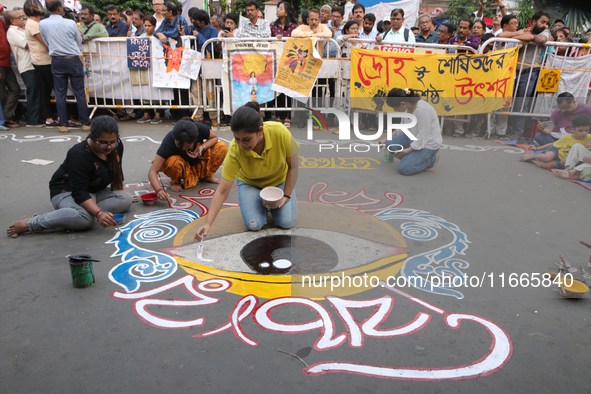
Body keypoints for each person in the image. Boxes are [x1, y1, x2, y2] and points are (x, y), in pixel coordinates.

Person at [7, 116, 132, 237]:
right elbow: (79, 192)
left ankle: (71, 217)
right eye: (103, 143)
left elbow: (117, 170)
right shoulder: (79, 154)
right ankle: (34, 222)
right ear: (91, 138)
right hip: (67, 191)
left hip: (94, 191)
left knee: (125, 198)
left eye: (112, 142)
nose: (109, 147)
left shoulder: (117, 146)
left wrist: (118, 193)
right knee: (86, 219)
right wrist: (99, 214)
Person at [195, 102, 299, 238]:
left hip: (279, 181)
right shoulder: (235, 148)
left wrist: (286, 195)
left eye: (247, 139)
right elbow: (222, 191)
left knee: (286, 222)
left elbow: (294, 166)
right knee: (254, 224)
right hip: (251, 183)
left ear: (260, 131)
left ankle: (270, 206)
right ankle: (258, 204)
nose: (241, 144)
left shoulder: (279, 132)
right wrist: (208, 224)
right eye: (237, 138)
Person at [39, 0, 91, 134]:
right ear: (59, 7)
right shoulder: (70, 23)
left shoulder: (43, 23)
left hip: (57, 60)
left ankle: (63, 124)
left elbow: (46, 40)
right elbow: (78, 40)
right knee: (79, 91)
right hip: (72, 59)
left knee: (60, 93)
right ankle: (85, 122)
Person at [148, 119, 227, 197]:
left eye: (187, 146)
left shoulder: (199, 128)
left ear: (195, 139)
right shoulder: (169, 140)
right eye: (178, 145)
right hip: (182, 168)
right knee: (172, 161)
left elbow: (214, 137)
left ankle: (205, 176)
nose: (183, 149)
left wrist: (202, 147)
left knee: (221, 147)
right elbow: (153, 171)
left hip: (199, 162)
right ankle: (176, 181)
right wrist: (159, 190)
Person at [507, 10, 551, 143]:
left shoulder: (545, 32)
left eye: (547, 23)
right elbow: (505, 37)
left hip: (529, 72)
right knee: (510, 101)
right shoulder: (524, 31)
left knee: (521, 103)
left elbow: (541, 39)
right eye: (542, 22)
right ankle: (509, 130)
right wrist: (521, 35)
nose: (545, 25)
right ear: (534, 22)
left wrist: (528, 36)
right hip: (513, 72)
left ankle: (517, 133)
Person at [380, 88, 441, 175]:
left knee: (404, 168)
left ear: (402, 104)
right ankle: (414, 158)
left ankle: (431, 160)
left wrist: (408, 150)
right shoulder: (405, 108)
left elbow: (422, 137)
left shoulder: (423, 110)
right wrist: (385, 139)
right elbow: (401, 129)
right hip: (412, 138)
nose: (396, 111)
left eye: (395, 108)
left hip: (427, 145)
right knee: (389, 143)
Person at [24, 0, 58, 128]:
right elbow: (45, 43)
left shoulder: (34, 23)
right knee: (56, 88)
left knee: (45, 90)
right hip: (43, 60)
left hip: (40, 60)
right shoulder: (33, 24)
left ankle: (49, 118)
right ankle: (60, 117)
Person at [6, 9, 42, 127]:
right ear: (12, 21)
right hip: (26, 65)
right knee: (32, 91)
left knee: (37, 90)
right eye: (20, 17)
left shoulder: (23, 29)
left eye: (23, 17)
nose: (23, 19)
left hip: (35, 63)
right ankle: (32, 120)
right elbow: (27, 44)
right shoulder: (12, 31)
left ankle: (37, 117)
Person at [521, 115, 591, 169]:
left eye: (586, 130)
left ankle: (532, 160)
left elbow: (584, 154)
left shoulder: (589, 138)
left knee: (545, 165)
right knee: (546, 158)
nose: (584, 133)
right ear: (573, 129)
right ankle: (534, 156)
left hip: (564, 160)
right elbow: (553, 144)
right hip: (557, 151)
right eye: (580, 131)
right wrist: (537, 149)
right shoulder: (567, 137)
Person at [271, 1, 298, 127]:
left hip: (290, 62)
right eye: (277, 8)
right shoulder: (272, 26)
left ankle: (288, 116)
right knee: (277, 89)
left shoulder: (294, 27)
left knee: (288, 89)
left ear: (286, 12)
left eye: (280, 8)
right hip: (276, 61)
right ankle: (277, 115)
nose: (277, 10)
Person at [0, 5, 22, 128]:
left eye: (2, 10)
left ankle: (6, 117)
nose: (2, 12)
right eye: (0, 11)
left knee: (15, 89)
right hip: (0, 64)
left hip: (6, 63)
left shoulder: (2, 22)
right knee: (2, 94)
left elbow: (10, 24)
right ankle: (2, 120)